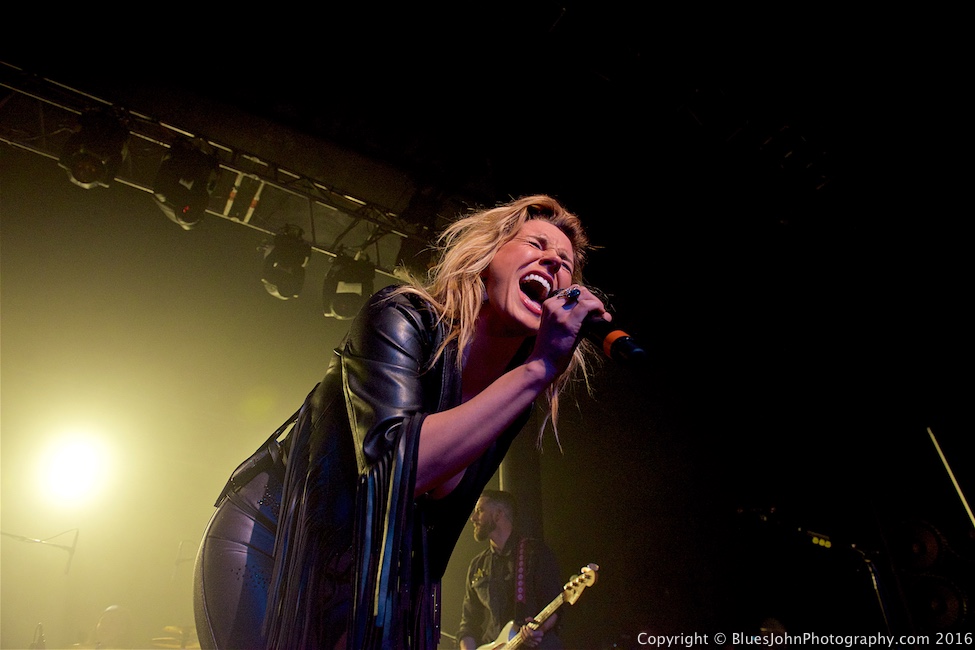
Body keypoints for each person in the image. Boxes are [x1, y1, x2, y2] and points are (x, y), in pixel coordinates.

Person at [193, 194, 610, 649]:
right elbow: (396, 466)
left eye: (566, 263)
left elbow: (433, 543)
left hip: (362, 582)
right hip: (274, 542)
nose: (553, 261)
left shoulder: (513, 398)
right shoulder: (401, 316)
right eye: (536, 244)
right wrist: (538, 369)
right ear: (488, 255)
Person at [458, 490, 564, 649]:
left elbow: (555, 605)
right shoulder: (477, 566)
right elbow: (469, 624)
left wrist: (537, 630)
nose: (473, 518)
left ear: (498, 514)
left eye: (480, 511)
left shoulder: (535, 553)